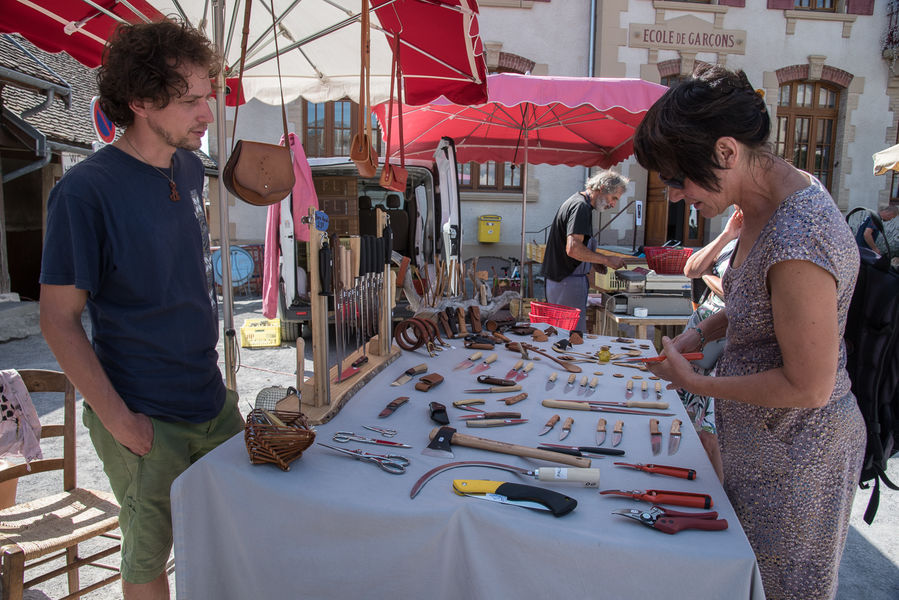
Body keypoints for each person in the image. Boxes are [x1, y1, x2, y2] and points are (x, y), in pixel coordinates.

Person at [634, 65, 864, 600]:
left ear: (726, 152)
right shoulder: (764, 201)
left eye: (678, 179)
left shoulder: (799, 236)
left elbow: (810, 386)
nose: (674, 195)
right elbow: (759, 302)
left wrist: (698, 384)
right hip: (764, 446)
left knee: (781, 591)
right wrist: (699, 336)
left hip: (798, 459)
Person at [39, 20, 243, 600]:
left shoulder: (187, 166)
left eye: (209, 95)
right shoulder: (85, 192)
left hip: (210, 401)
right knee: (149, 557)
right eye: (191, 100)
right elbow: (56, 320)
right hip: (145, 414)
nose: (208, 113)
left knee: (232, 532)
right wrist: (121, 423)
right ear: (141, 102)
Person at [677, 207, 742, 480]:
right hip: (702, 342)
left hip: (725, 347)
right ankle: (706, 486)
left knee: (711, 433)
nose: (738, 210)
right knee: (694, 425)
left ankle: (718, 494)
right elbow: (690, 269)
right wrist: (726, 234)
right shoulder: (732, 242)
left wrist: (708, 276)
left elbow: (738, 295)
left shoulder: (764, 244)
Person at [541, 170, 628, 333]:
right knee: (568, 337)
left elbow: (575, 246)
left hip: (563, 280)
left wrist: (593, 261)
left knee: (562, 335)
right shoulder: (580, 207)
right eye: (614, 198)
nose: (613, 204)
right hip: (566, 282)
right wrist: (606, 259)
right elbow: (573, 248)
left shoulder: (579, 203)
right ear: (602, 188)